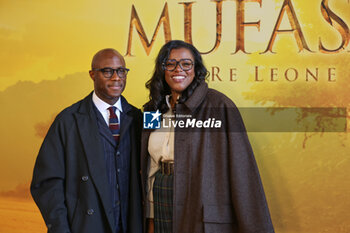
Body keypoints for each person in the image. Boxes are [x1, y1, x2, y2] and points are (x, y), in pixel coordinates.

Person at [141, 40, 275, 233]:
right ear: (162, 69)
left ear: (196, 69)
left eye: (186, 64)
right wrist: (150, 214)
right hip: (161, 194)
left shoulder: (219, 106)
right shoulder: (153, 109)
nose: (178, 69)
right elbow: (149, 165)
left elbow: (242, 170)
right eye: (170, 64)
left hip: (199, 200)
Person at [31, 48, 143, 233]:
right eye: (107, 71)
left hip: (130, 224)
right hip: (85, 226)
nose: (116, 77)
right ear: (92, 74)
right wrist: (60, 229)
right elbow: (47, 183)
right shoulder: (68, 120)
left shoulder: (138, 118)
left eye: (121, 71)